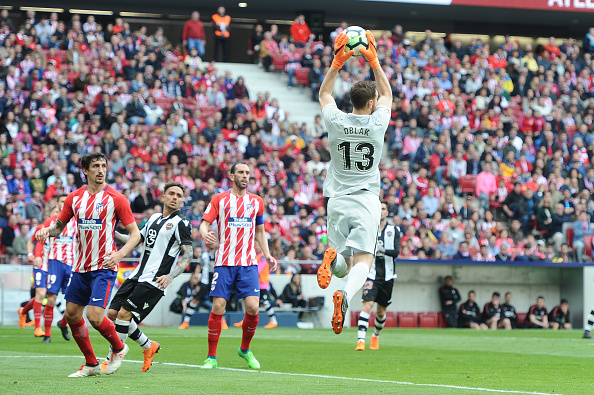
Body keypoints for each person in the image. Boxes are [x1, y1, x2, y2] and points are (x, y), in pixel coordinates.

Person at [36, 152, 141, 377]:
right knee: (72, 314)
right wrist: (46, 231)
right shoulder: (74, 198)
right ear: (85, 170)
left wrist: (120, 254)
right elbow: (58, 228)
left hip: (104, 266)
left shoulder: (116, 198)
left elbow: (135, 234)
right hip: (80, 267)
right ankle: (91, 364)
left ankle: (119, 348)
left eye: (103, 165)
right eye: (95, 166)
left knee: (94, 316)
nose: (101, 170)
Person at [315, 30, 392, 335]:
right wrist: (373, 60)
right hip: (365, 198)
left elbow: (324, 95)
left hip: (336, 199)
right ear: (370, 103)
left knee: (341, 263)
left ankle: (331, 258)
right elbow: (388, 95)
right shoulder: (376, 123)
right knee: (363, 261)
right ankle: (345, 296)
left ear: (351, 101)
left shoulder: (336, 120)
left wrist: (337, 62)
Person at [104, 181, 193, 373]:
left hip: (155, 280)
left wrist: (170, 276)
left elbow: (188, 255)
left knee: (123, 314)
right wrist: (110, 231)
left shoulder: (181, 223)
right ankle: (148, 346)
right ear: (162, 197)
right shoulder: (152, 218)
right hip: (138, 274)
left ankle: (113, 358)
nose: (175, 197)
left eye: (179, 195)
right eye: (171, 193)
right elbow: (134, 240)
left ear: (182, 201)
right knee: (112, 314)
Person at [199, 162, 278, 370]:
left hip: (248, 262)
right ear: (232, 176)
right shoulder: (220, 199)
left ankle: (244, 349)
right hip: (224, 261)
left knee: (253, 307)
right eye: (241, 173)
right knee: (218, 307)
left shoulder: (257, 202)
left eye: (247, 173)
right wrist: (204, 233)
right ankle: (211, 357)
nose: (245, 176)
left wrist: (268, 255)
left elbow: (260, 231)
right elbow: (204, 222)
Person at [356, 201, 399, 351]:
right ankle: (360, 341)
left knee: (381, 311)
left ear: (387, 212)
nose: (381, 211)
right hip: (371, 275)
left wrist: (382, 250)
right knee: (367, 305)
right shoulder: (368, 230)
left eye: (383, 209)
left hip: (387, 276)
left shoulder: (394, 230)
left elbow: (396, 252)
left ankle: (375, 336)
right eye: (378, 209)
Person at [37, 194, 78, 343]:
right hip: (55, 263)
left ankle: (63, 323)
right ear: (59, 204)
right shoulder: (51, 221)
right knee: (52, 299)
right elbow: (40, 239)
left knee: (73, 303)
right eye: (62, 201)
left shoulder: (77, 221)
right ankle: (47, 334)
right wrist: (37, 256)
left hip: (72, 264)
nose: (65, 203)